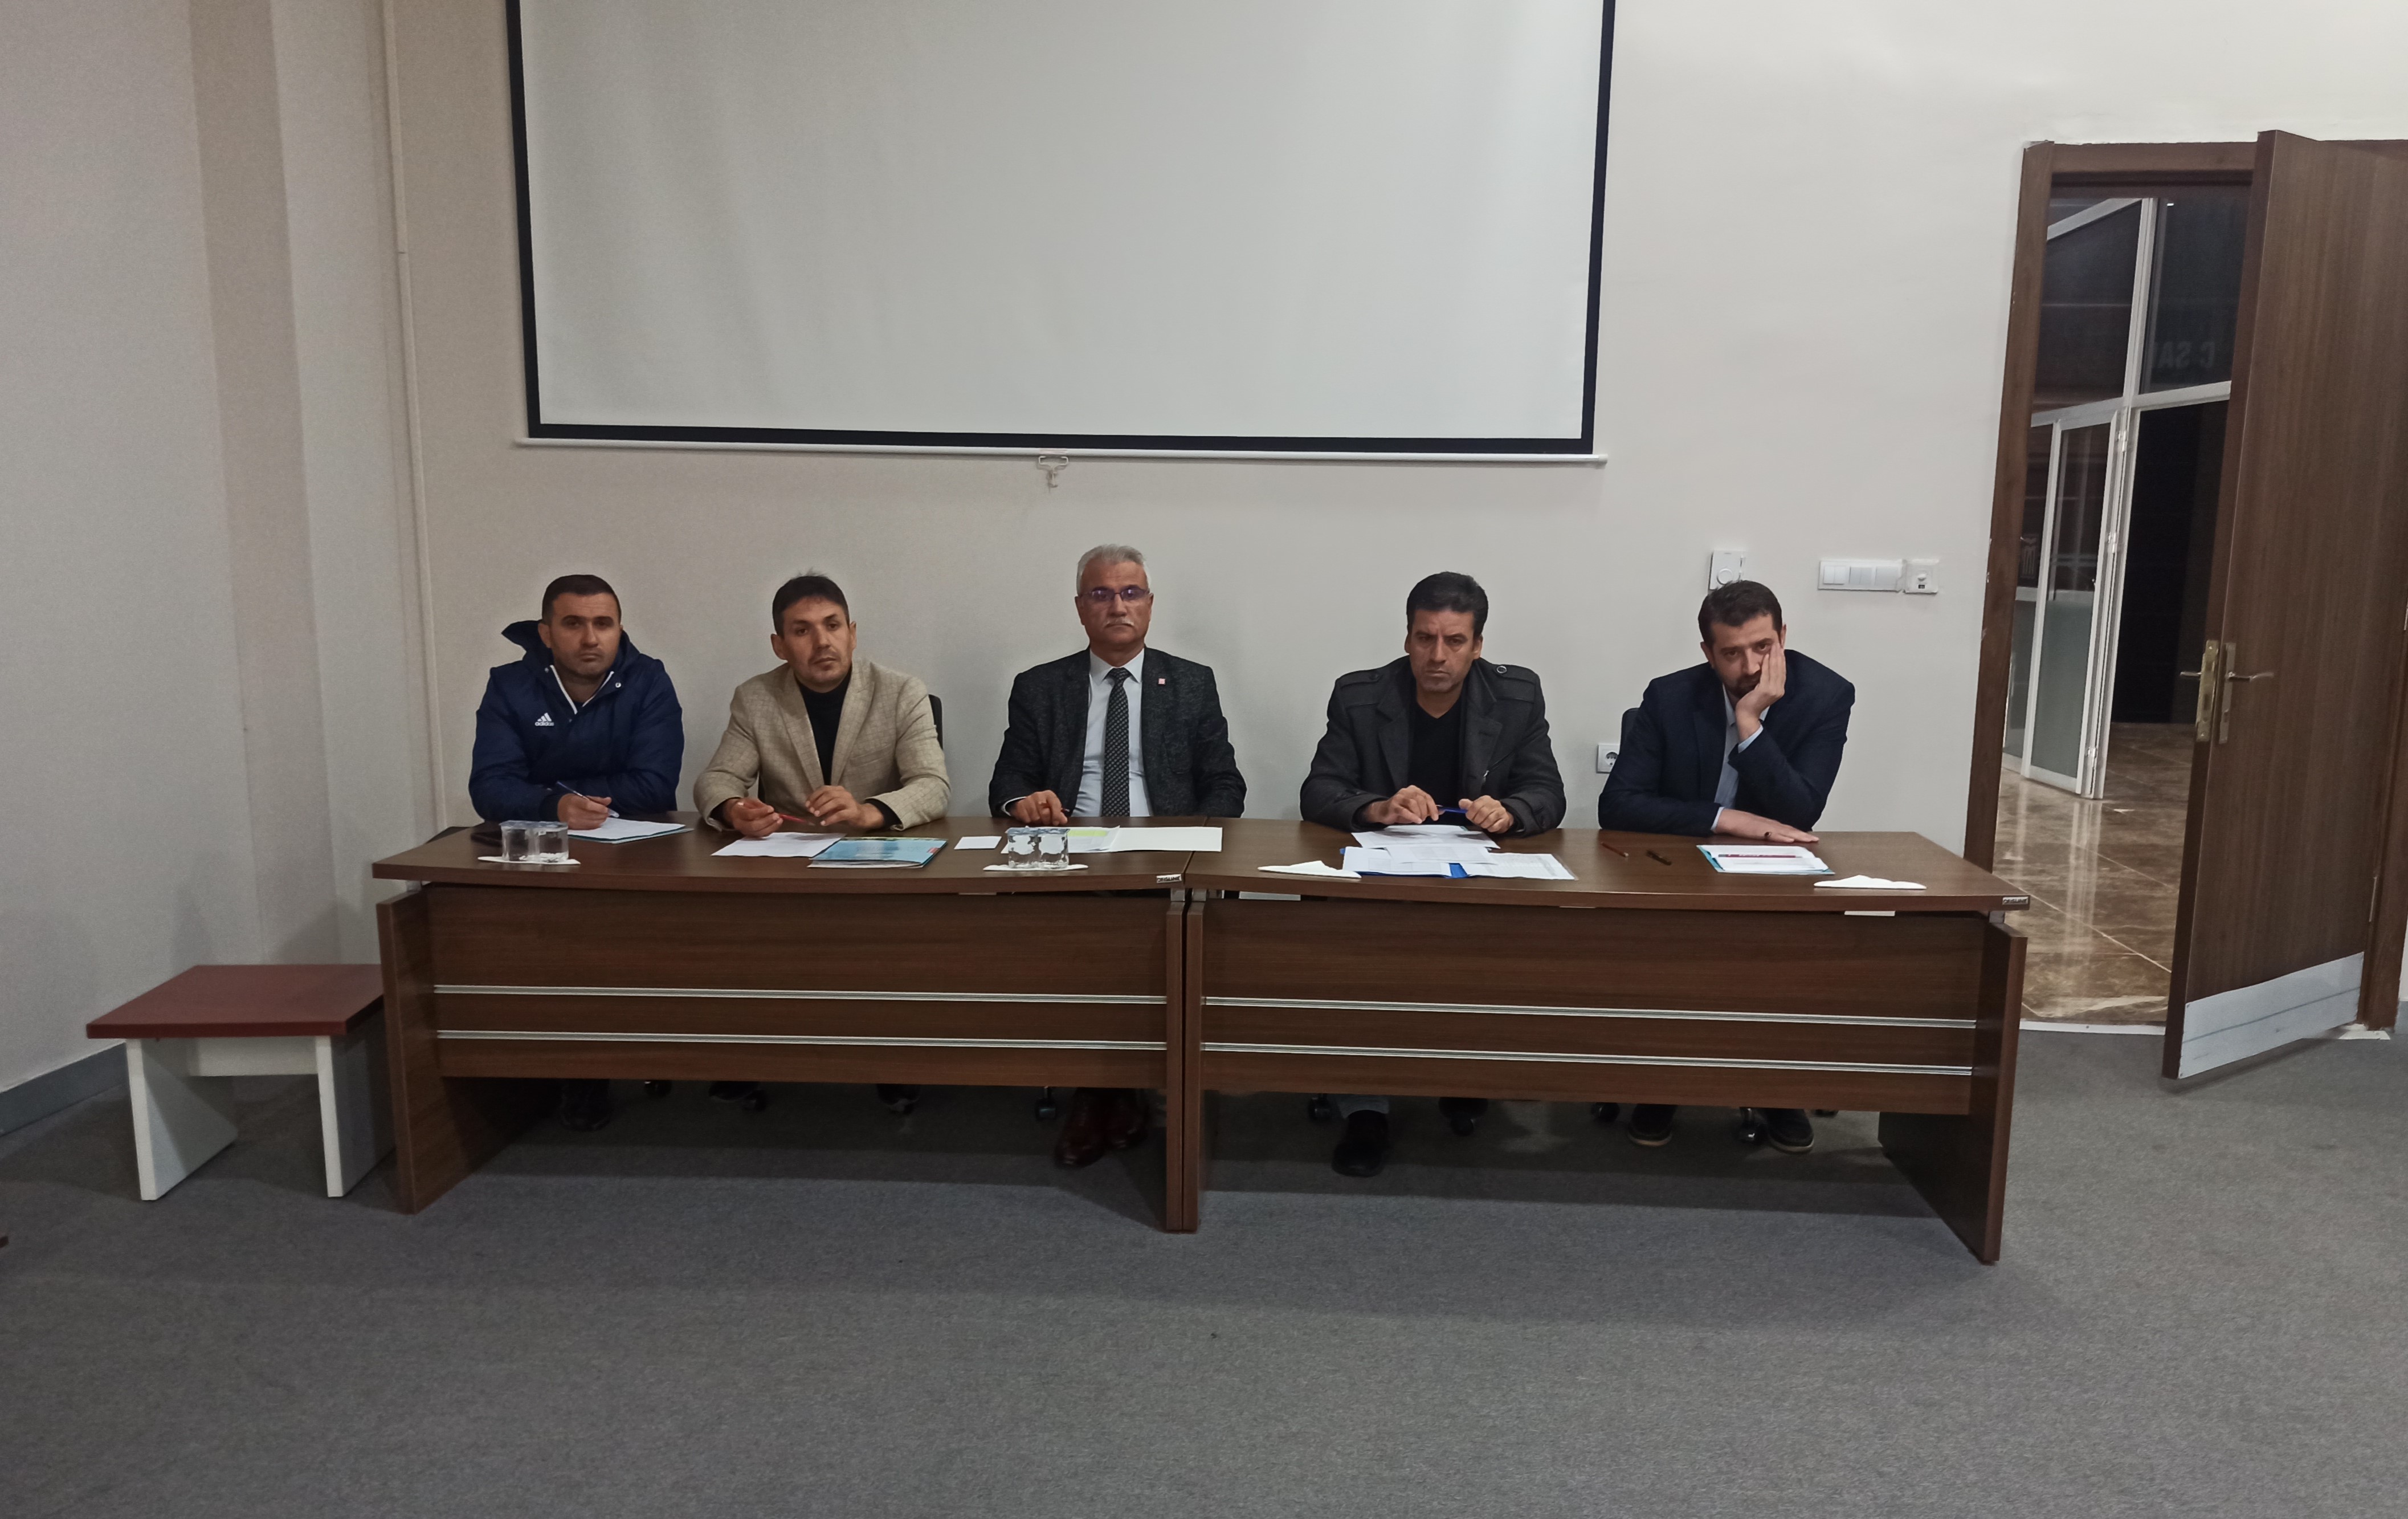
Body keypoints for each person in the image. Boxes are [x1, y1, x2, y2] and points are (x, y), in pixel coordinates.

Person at [988, 544, 1247, 1167]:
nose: (1117, 606)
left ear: (1150, 605)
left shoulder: (1191, 683)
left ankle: (1107, 1090)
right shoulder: (1039, 687)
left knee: (1148, 929)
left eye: (1131, 593)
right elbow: (1007, 783)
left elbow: (1225, 784)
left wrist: (1193, 841)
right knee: (1079, 939)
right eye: (1101, 594)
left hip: (1162, 852)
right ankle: (1106, 1088)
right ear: (1080, 608)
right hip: (1071, 848)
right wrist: (1026, 802)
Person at [1300, 571, 1565, 1177]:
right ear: (1407, 638)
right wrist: (1376, 807)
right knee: (1361, 960)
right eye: (1424, 638)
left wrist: (1511, 811)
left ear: (1478, 645)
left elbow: (1546, 791)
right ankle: (1365, 1107)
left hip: (1473, 879)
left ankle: (1462, 1074)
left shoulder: (1517, 696)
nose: (1437, 655)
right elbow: (1319, 789)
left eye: (1454, 641)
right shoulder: (1359, 696)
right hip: (1385, 878)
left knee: (1486, 952)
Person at [1599, 579, 1855, 1154]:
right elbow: (1617, 805)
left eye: (1763, 647)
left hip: (1773, 874)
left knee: (1785, 956)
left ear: (1783, 636)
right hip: (1680, 869)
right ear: (1707, 653)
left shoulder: (1825, 695)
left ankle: (1777, 1088)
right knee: (1671, 951)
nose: (1750, 666)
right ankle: (1662, 1084)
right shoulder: (1670, 697)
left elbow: (1800, 809)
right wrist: (1725, 818)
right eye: (1732, 653)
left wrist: (1749, 721)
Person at [695, 571, 950, 1113]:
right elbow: (715, 780)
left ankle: (890, 1059)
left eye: (833, 626)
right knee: (728, 933)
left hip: (877, 862)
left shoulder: (901, 691)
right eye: (803, 630)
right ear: (779, 644)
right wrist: (735, 809)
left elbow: (933, 785)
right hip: (790, 866)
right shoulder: (757, 698)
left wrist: (869, 811)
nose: (822, 641)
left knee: (885, 945)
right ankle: (751, 1053)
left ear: (853, 633)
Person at [468, 572, 684, 1132]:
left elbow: (656, 785)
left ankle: (627, 1057)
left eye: (603, 623)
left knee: (626, 950)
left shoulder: (649, 681)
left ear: (619, 628)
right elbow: (489, 787)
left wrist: (555, 793)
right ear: (546, 632)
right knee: (542, 951)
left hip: (633, 857)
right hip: (539, 857)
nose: (590, 638)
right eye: (573, 624)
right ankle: (563, 1070)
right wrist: (554, 805)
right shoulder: (509, 687)